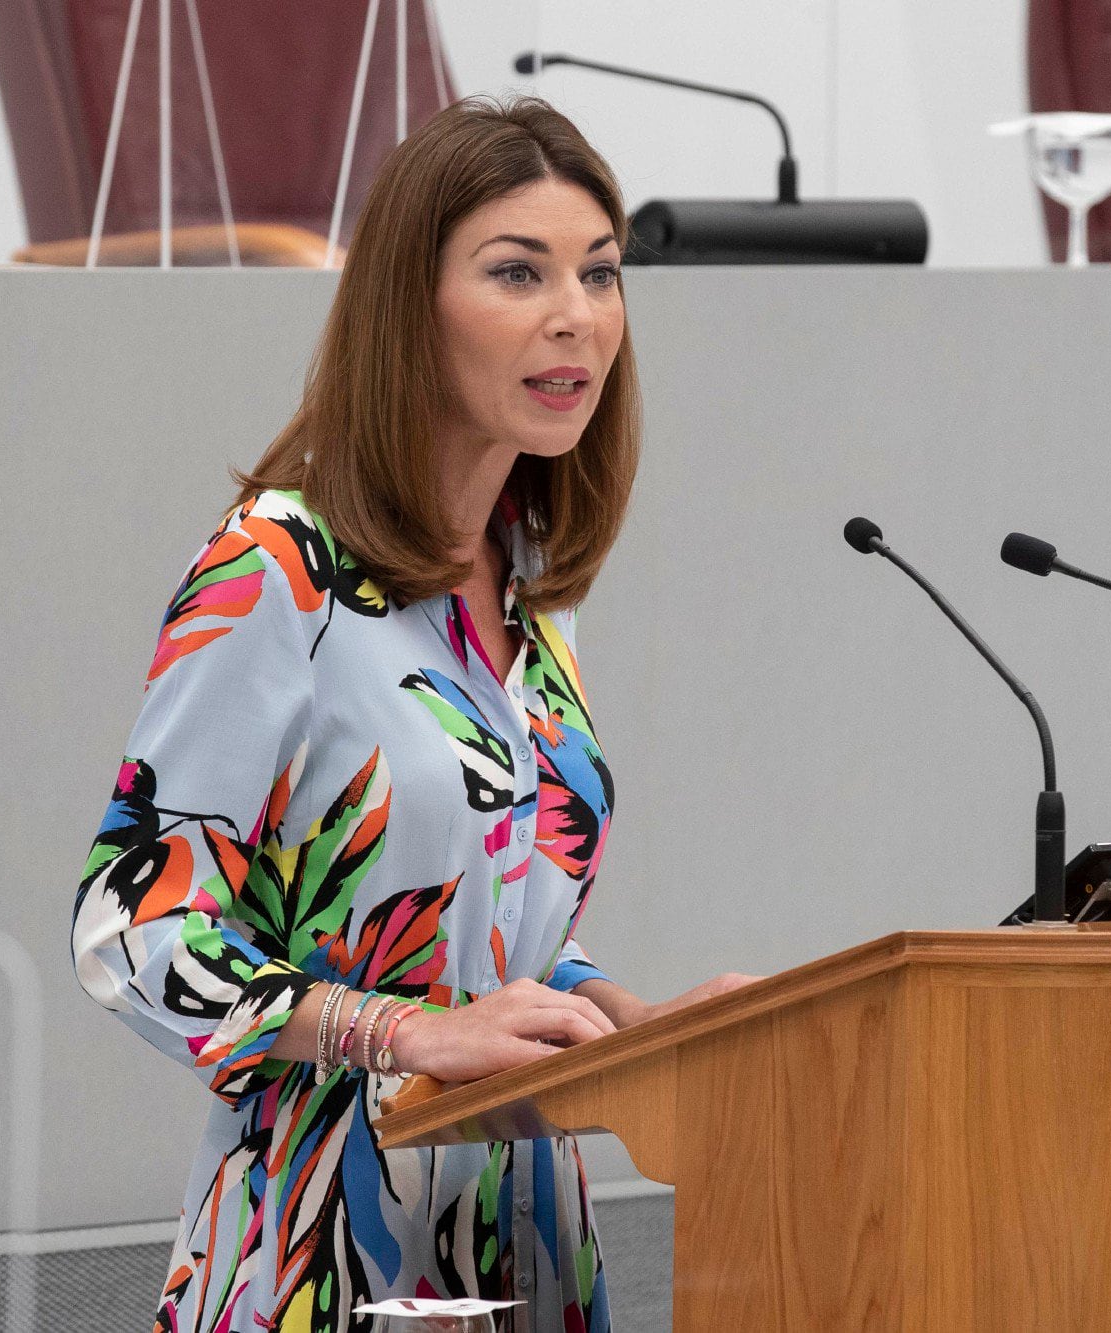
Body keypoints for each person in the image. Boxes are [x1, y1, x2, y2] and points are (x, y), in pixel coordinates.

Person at [71, 96, 754, 1333]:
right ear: (409, 308)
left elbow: (483, 936)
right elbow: (131, 924)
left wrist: (631, 1021)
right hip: (321, 1243)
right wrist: (394, 1032)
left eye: (601, 275)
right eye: (516, 272)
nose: (576, 316)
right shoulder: (276, 567)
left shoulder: (527, 593)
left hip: (526, 1236)